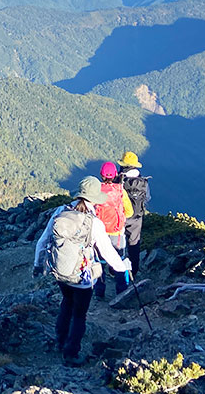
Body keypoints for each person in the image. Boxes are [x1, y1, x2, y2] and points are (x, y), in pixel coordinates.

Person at [33, 176, 133, 366]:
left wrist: (38, 265)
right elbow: (108, 253)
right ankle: (71, 353)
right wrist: (123, 267)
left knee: (66, 303)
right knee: (79, 315)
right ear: (94, 198)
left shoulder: (60, 212)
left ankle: (59, 341)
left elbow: (42, 241)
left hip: (60, 272)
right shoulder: (94, 223)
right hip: (82, 277)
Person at [93, 161, 133, 299]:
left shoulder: (96, 192)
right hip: (117, 234)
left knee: (98, 262)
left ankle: (99, 292)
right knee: (119, 261)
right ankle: (122, 292)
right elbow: (129, 212)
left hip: (99, 233)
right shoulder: (121, 191)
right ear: (115, 174)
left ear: (101, 175)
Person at [118, 151, 151, 275]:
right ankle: (134, 270)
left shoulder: (120, 180)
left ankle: (116, 269)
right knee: (134, 243)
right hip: (137, 217)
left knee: (119, 242)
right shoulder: (143, 181)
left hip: (121, 216)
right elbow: (147, 198)